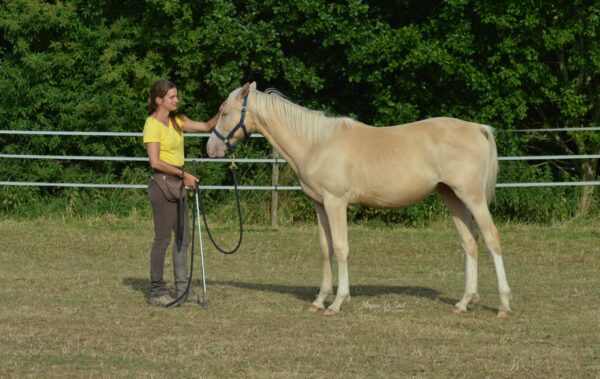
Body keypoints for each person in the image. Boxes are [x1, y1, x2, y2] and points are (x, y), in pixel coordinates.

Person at [143, 79, 218, 307]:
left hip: (177, 185)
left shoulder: (177, 121)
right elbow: (155, 161)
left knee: (183, 239)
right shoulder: (152, 124)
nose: (177, 100)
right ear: (159, 100)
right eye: (172, 97)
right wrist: (183, 174)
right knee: (163, 239)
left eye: (177, 96)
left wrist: (223, 111)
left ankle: (183, 290)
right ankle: (157, 292)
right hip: (162, 185)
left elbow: (206, 126)